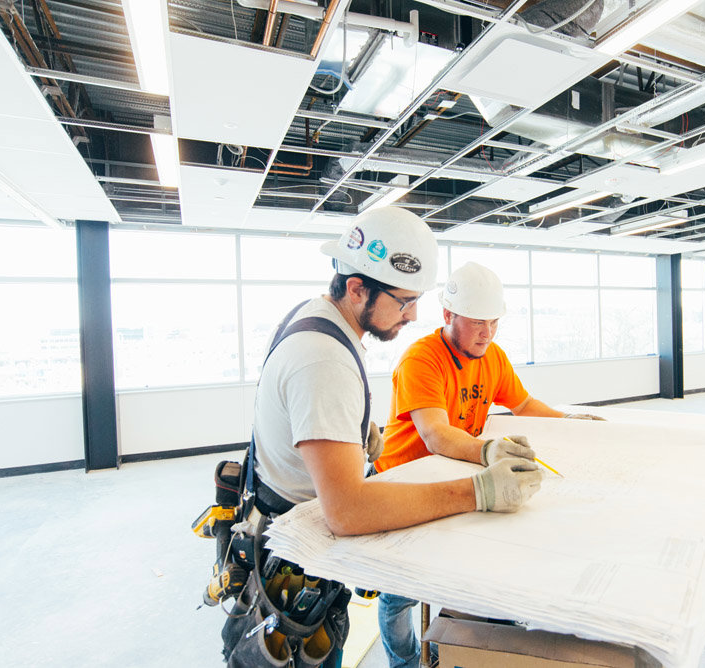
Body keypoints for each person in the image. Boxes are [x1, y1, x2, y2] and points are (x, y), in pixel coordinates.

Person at [250, 209, 544, 536]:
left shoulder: (312, 318)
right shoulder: (326, 360)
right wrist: (478, 491)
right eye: (404, 301)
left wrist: (345, 429)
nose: (413, 315)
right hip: (294, 533)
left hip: (285, 508)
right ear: (357, 288)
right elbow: (348, 511)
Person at [372, 260, 603, 667]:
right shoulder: (421, 360)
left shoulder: (492, 356)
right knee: (399, 593)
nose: (487, 333)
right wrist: (488, 451)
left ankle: (456, 646)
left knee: (466, 567)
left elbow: (524, 404)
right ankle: (405, 663)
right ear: (448, 315)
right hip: (403, 480)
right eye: (478, 322)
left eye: (494, 323)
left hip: (453, 476)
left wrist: (567, 422)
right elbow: (436, 435)